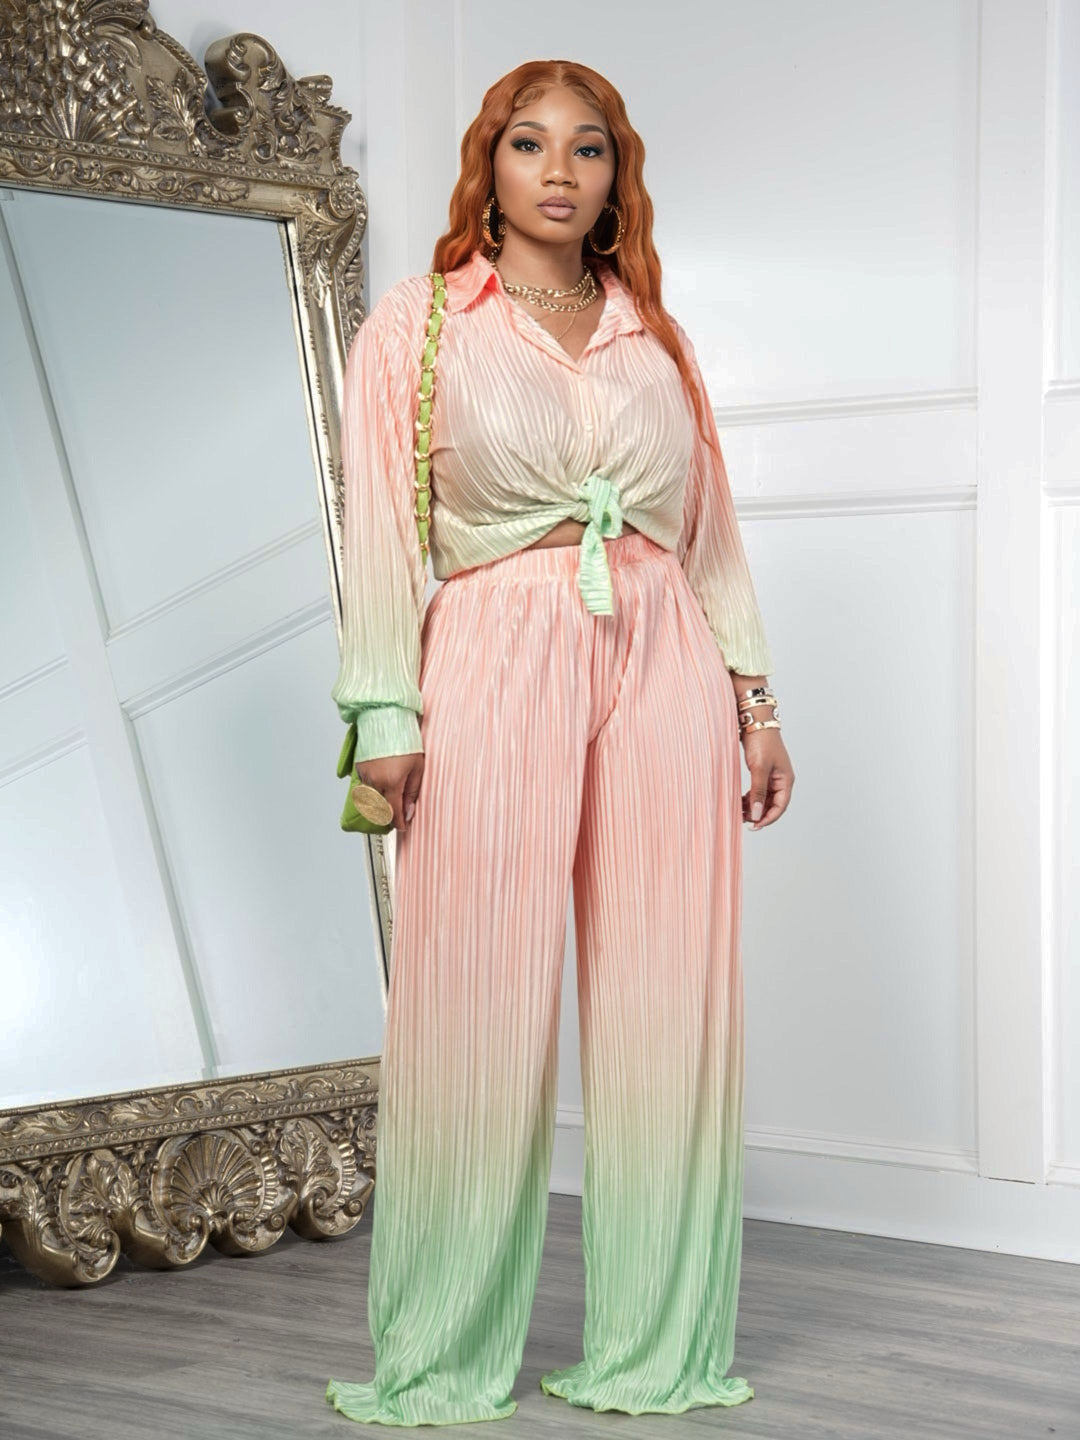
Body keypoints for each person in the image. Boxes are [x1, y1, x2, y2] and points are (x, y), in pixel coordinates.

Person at [325, 57, 795, 1427]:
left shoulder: (655, 333)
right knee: (474, 1006)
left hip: (666, 658)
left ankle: (658, 1348)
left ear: (615, 176)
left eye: (588, 148)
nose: (559, 171)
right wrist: (385, 712)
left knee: (667, 1007)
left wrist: (756, 706)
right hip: (493, 647)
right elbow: (378, 529)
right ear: (489, 164)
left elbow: (709, 535)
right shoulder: (418, 324)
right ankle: (442, 1355)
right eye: (529, 143)